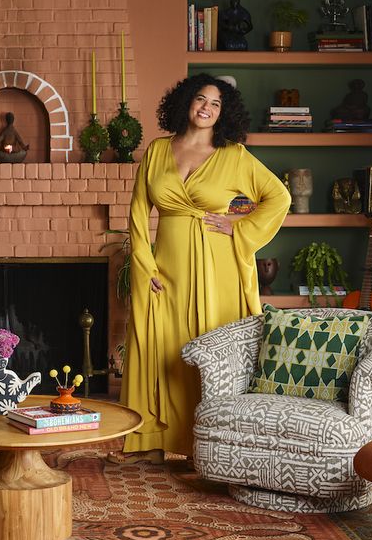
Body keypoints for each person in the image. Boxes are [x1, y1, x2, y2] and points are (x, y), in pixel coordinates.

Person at [120, 73, 291, 459]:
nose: (206, 108)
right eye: (201, 99)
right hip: (165, 269)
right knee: (162, 347)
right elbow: (136, 212)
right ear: (185, 102)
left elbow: (278, 196)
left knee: (212, 349)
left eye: (216, 104)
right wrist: (145, 267)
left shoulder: (233, 155)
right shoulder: (157, 150)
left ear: (224, 112)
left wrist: (238, 226)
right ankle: (155, 439)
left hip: (219, 268)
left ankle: (211, 443)